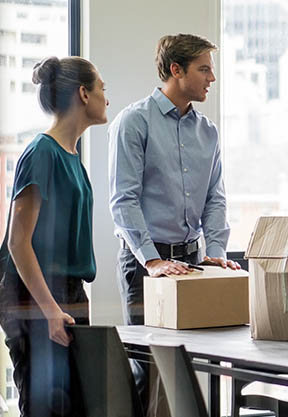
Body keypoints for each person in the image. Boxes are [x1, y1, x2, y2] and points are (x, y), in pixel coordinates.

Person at [108, 33, 240, 410]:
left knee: (189, 368)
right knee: (146, 370)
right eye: (204, 69)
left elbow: (215, 197)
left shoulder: (208, 131)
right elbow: (123, 199)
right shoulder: (134, 122)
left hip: (193, 264)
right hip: (144, 266)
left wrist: (214, 252)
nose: (211, 78)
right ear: (175, 70)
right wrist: (152, 260)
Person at [0, 56, 108, 416]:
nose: (106, 97)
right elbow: (18, 242)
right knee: (47, 407)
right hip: (35, 295)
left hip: (69, 292)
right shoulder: (42, 153)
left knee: (78, 404)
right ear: (83, 93)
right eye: (101, 88)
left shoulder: (72, 156)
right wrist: (49, 310)